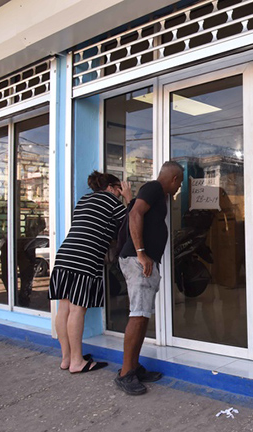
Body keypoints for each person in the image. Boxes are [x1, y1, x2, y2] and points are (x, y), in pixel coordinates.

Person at [49, 171, 132, 373]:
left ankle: (67, 358)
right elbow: (130, 222)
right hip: (84, 259)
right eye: (119, 191)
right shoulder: (112, 202)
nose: (120, 195)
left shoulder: (84, 199)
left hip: (65, 255)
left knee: (64, 308)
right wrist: (129, 199)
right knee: (78, 309)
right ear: (112, 188)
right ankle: (78, 362)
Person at [114, 161, 183, 395]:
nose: (179, 188)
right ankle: (125, 373)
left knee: (142, 316)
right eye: (180, 183)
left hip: (143, 259)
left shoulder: (155, 194)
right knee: (138, 315)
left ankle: (134, 367)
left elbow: (134, 209)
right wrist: (142, 253)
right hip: (138, 259)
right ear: (174, 179)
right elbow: (135, 214)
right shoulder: (154, 188)